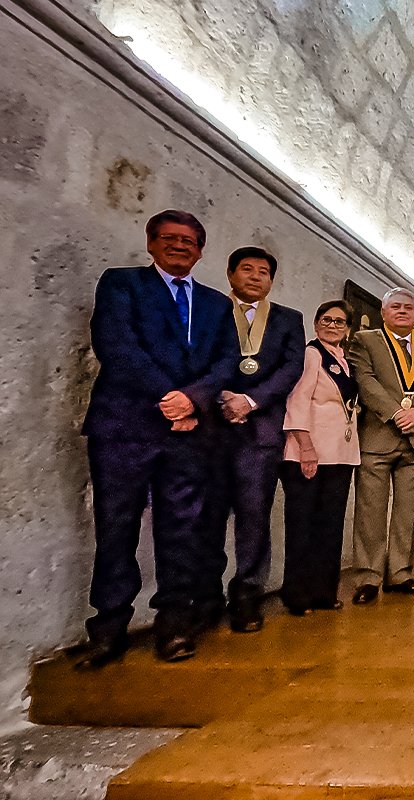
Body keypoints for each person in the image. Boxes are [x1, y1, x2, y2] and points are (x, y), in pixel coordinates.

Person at [77, 209, 240, 668]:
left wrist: (194, 399)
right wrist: (169, 398)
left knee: (182, 531)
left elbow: (226, 360)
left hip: (188, 433)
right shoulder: (122, 284)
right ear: (151, 243)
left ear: (201, 250)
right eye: (169, 238)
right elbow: (116, 345)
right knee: (116, 528)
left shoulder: (215, 304)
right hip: (125, 427)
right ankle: (108, 630)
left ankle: (174, 625)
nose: (179, 246)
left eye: (189, 241)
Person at [201, 246, 305, 633]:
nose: (256, 276)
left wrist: (251, 399)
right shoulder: (210, 310)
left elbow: (290, 368)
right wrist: (221, 397)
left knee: (254, 516)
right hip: (212, 427)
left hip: (260, 432)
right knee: (205, 516)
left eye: (264, 271)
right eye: (247, 269)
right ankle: (206, 596)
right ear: (230, 274)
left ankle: (247, 594)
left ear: (272, 280)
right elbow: (198, 359)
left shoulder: (287, 319)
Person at [347, 288, 414, 604]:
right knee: (371, 511)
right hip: (378, 437)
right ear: (384, 311)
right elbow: (365, 381)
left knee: (408, 511)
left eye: (409, 308)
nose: (403, 311)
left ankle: (400, 573)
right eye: (396, 306)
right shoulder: (365, 341)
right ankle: (368, 576)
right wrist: (396, 413)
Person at [279, 300, 360, 616]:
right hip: (309, 452)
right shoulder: (311, 354)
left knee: (330, 525)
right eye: (326, 319)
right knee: (303, 525)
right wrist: (306, 448)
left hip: (339, 453)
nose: (332, 325)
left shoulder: (343, 359)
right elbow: (297, 401)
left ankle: (324, 592)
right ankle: (298, 594)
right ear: (316, 324)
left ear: (348, 329)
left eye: (340, 322)